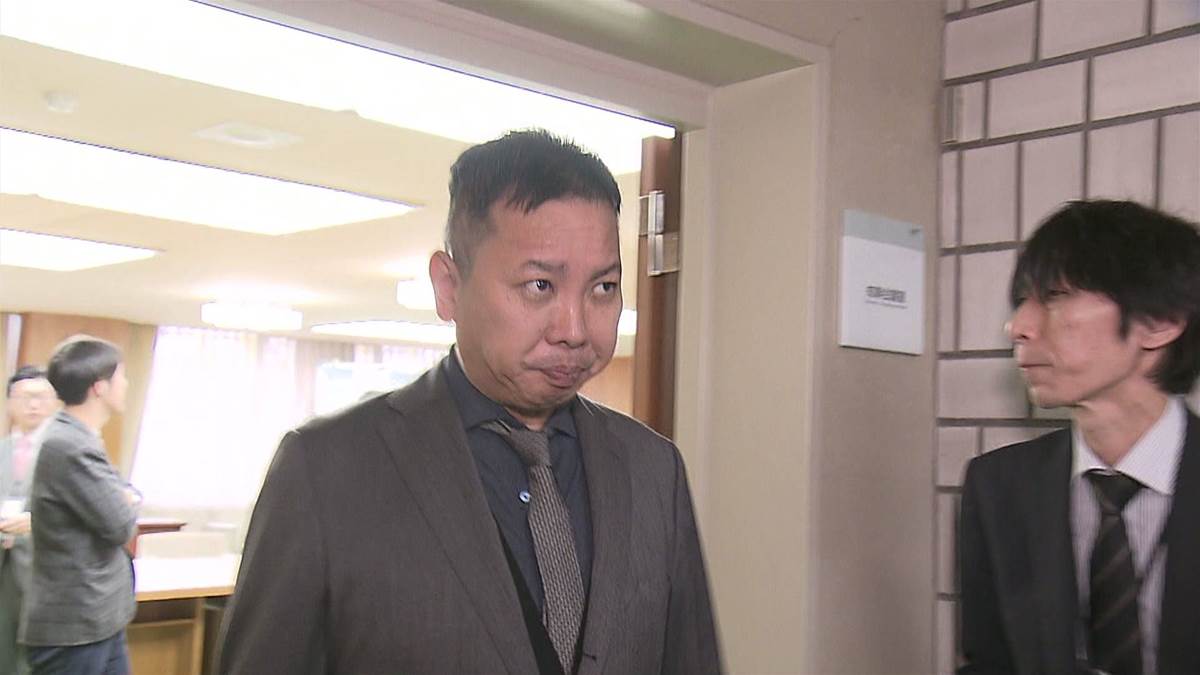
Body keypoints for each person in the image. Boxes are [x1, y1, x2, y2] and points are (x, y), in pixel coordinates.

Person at [218, 130, 722, 675]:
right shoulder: (326, 470)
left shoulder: (653, 470)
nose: (575, 329)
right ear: (449, 287)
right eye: (540, 286)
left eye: (603, 288)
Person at [958, 200, 1200, 675]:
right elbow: (990, 662)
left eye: (1055, 296)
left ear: (1160, 322)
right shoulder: (999, 484)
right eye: (1022, 301)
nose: (1018, 327)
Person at [21, 336, 140, 675]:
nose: (126, 384)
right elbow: (121, 525)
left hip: (96, 618)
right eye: (121, 376)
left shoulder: (78, 437)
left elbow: (123, 496)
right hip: (74, 625)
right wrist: (127, 498)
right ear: (99, 387)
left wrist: (125, 496)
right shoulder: (69, 445)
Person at [1, 367, 57, 675]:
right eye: (24, 397)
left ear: (54, 402)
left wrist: (39, 523)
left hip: (43, 568)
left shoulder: (64, 450)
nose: (33, 405)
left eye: (41, 397)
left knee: (36, 656)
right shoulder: (2, 449)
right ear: (10, 402)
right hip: (4, 567)